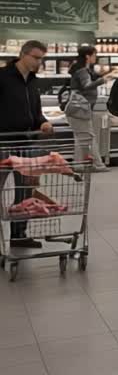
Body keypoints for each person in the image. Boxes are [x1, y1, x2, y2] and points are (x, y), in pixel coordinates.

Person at [0, 40, 53, 249]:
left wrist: (44, 122)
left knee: (24, 191)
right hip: (3, 143)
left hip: (26, 143)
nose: (39, 62)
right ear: (23, 55)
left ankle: (19, 235)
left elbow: (36, 112)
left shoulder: (32, 81)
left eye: (42, 58)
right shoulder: (3, 77)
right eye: (36, 57)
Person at [66, 45, 109, 172]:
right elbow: (87, 85)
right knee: (88, 137)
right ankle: (97, 164)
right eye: (94, 55)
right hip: (81, 108)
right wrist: (103, 80)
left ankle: (79, 164)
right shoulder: (82, 71)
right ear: (87, 56)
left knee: (81, 137)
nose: (95, 57)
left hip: (80, 108)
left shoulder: (82, 69)